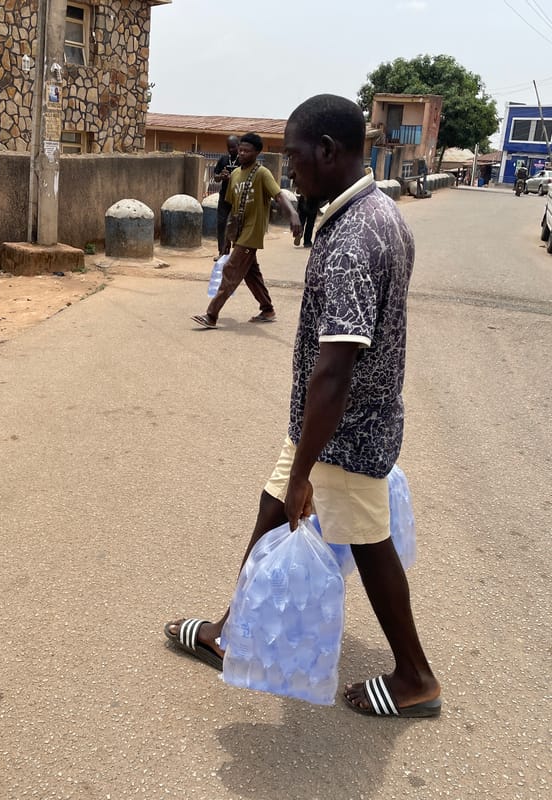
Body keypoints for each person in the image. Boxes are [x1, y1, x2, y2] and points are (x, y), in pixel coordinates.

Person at [171, 94, 441, 718]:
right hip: (334, 426)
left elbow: (334, 370)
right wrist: (294, 469)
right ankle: (230, 629)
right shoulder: (383, 211)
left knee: (367, 539)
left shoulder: (351, 238)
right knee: (272, 508)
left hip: (344, 431)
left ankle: (415, 675)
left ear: (327, 151)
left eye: (294, 157)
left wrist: (304, 472)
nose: (289, 170)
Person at [191, 132, 301, 329]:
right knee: (251, 273)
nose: (241, 153)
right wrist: (226, 239)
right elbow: (233, 211)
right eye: (240, 149)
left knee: (230, 269)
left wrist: (293, 214)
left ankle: (211, 314)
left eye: (246, 151)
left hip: (253, 231)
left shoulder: (262, 173)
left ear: (257, 153)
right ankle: (267, 309)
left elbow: (279, 195)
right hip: (239, 231)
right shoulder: (234, 175)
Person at [213, 135, 240, 259]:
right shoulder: (223, 159)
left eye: (233, 147)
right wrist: (221, 176)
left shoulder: (242, 161)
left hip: (238, 196)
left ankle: (236, 253)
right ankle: (221, 252)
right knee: (221, 223)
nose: (231, 150)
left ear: (238, 146)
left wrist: (232, 178)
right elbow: (215, 177)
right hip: (224, 196)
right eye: (229, 147)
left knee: (236, 224)